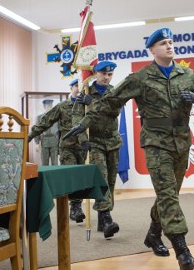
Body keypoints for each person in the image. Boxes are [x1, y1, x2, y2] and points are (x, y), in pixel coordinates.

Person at [63, 27, 194, 270]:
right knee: (167, 195)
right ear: (152, 50)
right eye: (163, 43)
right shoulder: (141, 78)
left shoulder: (188, 75)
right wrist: (84, 122)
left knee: (170, 195)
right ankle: (182, 250)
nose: (169, 45)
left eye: (170, 41)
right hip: (156, 144)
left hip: (181, 143)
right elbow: (109, 103)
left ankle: (153, 235)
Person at [71, 61, 123, 239]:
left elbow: (114, 111)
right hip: (95, 143)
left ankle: (102, 218)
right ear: (95, 74)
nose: (107, 78)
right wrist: (83, 140)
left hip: (113, 141)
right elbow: (77, 118)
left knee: (110, 181)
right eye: (103, 74)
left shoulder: (114, 91)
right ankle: (107, 218)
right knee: (101, 179)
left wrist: (92, 103)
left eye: (110, 75)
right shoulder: (84, 93)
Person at [27, 79, 86, 223]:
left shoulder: (88, 105)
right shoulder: (62, 106)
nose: (79, 88)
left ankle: (80, 206)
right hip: (67, 147)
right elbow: (45, 121)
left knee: (81, 177)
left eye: (81, 86)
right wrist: (29, 136)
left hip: (83, 146)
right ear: (71, 88)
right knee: (73, 175)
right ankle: (75, 207)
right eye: (76, 86)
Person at [35, 99, 59, 166]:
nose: (49, 107)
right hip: (44, 140)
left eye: (51, 105)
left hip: (54, 140)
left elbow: (59, 131)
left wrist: (60, 142)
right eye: (48, 105)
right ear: (44, 106)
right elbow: (36, 130)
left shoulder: (56, 117)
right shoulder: (39, 118)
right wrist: (37, 143)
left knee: (55, 162)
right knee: (44, 162)